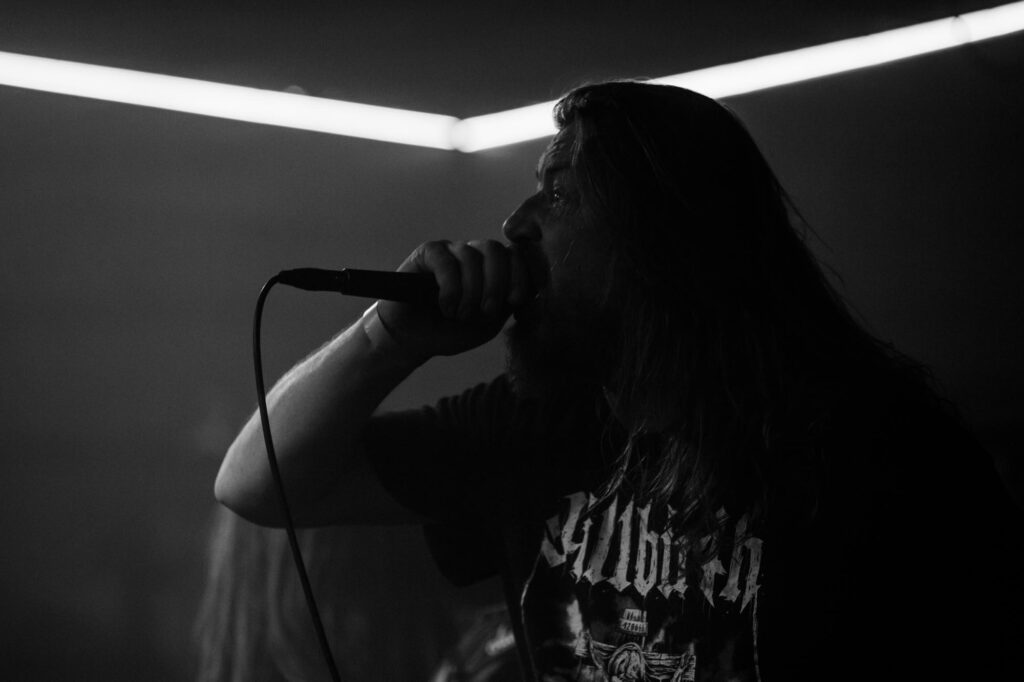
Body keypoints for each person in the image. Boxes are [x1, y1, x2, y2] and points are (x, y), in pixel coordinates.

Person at [215, 81, 1021, 681]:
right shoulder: (538, 425)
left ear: (664, 236)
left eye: (560, 194)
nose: (515, 225)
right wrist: (387, 338)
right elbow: (257, 483)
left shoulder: (882, 454)